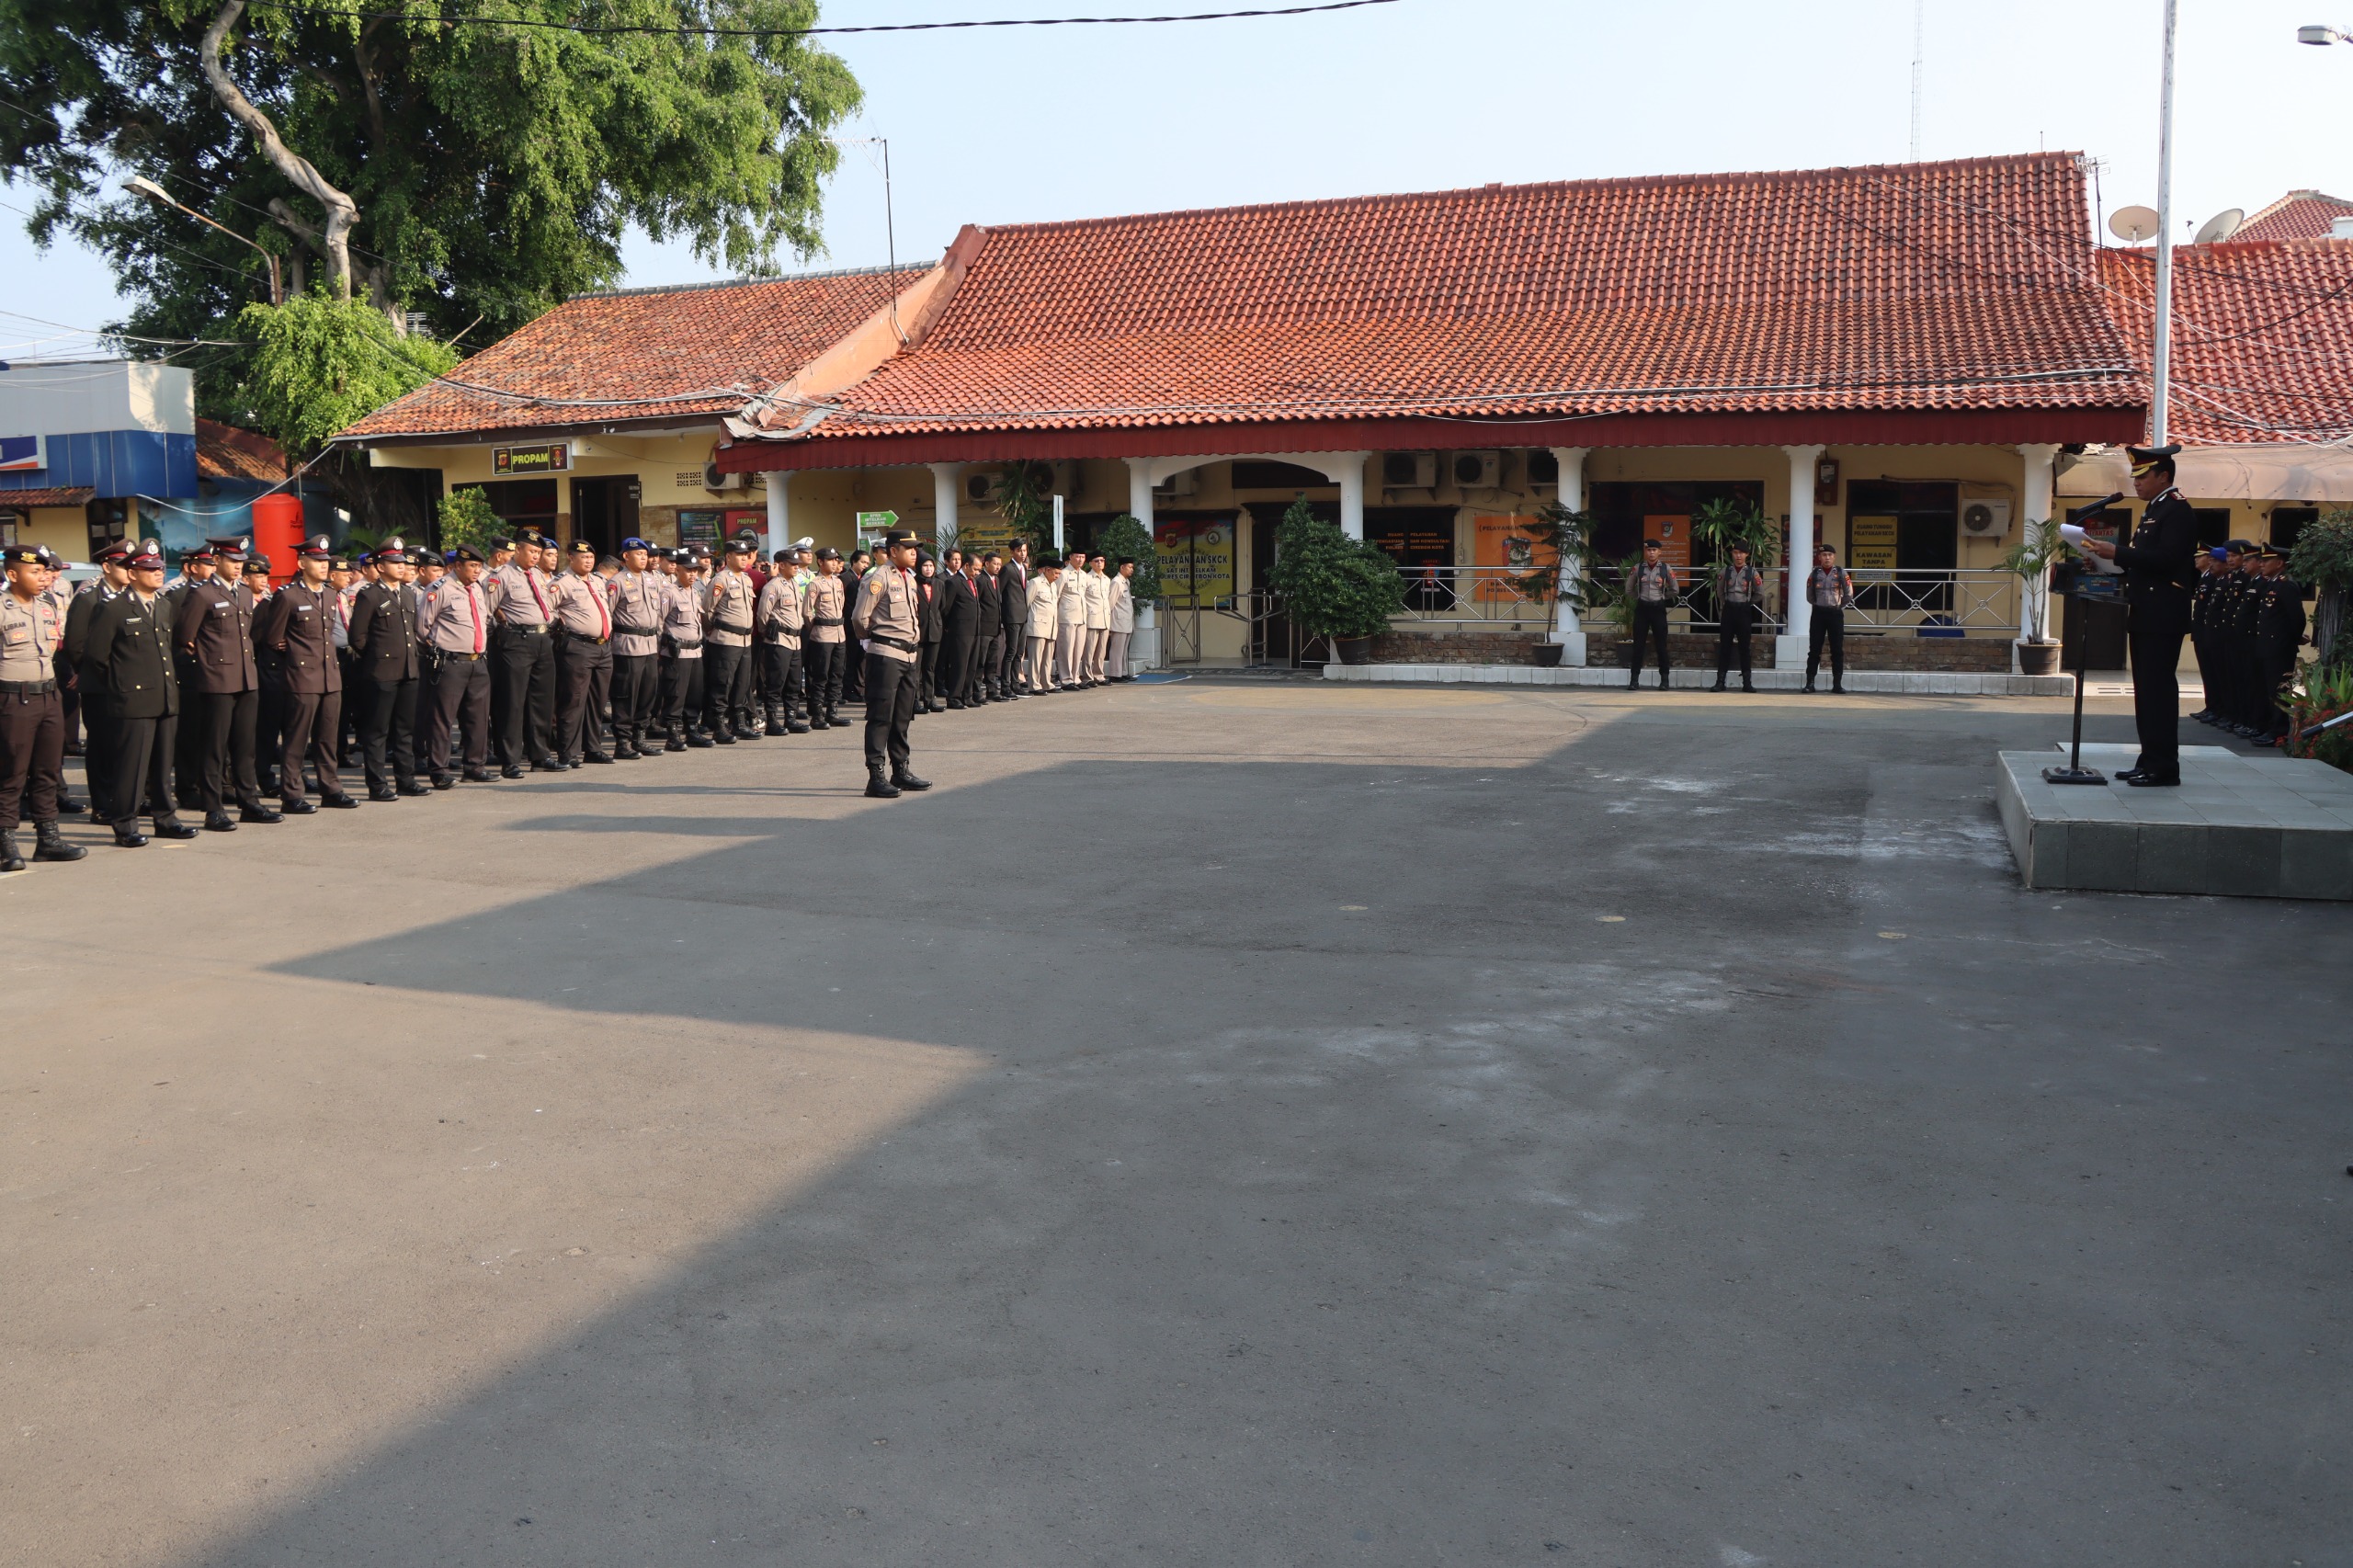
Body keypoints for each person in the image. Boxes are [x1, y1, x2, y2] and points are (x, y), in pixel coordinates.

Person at [2078, 443, 2199, 785]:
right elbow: (2142, 567)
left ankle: (2163, 768)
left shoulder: (2177, 511)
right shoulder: (2153, 510)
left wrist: (2119, 552)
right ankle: (2149, 759)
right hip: (2147, 611)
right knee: (2146, 691)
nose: (2136, 482)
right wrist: (2106, 563)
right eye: (2135, 475)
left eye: (2143, 475)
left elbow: (2166, 561)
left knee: (2158, 691)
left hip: (2163, 613)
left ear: (2163, 476)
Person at [83, 541, 199, 846]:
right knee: (131, 767)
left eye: (160, 568)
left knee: (163, 765)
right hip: (132, 700)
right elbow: (97, 657)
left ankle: (166, 818)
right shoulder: (113, 608)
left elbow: (167, 650)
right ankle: (125, 823)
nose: (158, 573)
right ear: (132, 573)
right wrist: (120, 686)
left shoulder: (163, 604)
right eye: (150, 569)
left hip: (164, 697)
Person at [175, 532, 274, 829]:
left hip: (246, 677)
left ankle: (249, 801)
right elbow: (183, 635)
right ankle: (213, 808)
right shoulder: (202, 593)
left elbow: (250, 633)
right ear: (216, 560)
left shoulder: (244, 593)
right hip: (217, 679)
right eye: (231, 561)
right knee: (214, 746)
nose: (238, 566)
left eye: (241, 561)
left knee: (245, 745)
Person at [0, 542, 87, 870]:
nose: (42, 577)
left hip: (49, 695)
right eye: (34, 572)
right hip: (12, 698)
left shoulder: (47, 605)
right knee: (11, 773)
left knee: (48, 771)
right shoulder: (2, 607)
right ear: (12, 574)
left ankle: (47, 839)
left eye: (44, 571)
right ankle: (6, 842)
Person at [258, 536, 358, 812]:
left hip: (330, 675)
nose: (324, 566)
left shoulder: (329, 594)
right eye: (317, 561)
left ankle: (331, 788)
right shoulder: (288, 595)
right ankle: (291, 794)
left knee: (327, 738)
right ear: (302, 563)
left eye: (326, 561)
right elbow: (273, 638)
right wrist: (295, 652)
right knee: (297, 738)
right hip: (302, 677)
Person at [852, 528, 930, 799]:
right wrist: (873, 643)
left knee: (902, 717)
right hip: (885, 655)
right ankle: (876, 776)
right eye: (909, 548)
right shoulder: (879, 578)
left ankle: (901, 770)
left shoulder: (908, 578)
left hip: (909, 656)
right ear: (893, 551)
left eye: (916, 548)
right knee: (880, 718)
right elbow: (860, 618)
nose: (914, 552)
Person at [346, 537, 426, 800]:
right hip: (381, 673)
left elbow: (411, 633)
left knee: (405, 731)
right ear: (380, 566)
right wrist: (377, 659)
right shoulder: (370, 595)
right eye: (394, 562)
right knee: (377, 732)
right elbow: (357, 637)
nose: (401, 567)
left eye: (402, 562)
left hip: (408, 671)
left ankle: (406, 779)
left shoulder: (408, 593)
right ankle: (377, 785)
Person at [63, 540, 132, 824]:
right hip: (100, 685)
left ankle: (124, 800)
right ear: (107, 567)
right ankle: (102, 805)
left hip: (127, 686)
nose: (131, 571)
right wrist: (87, 672)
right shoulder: (89, 597)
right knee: (102, 746)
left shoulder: (129, 597)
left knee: (123, 746)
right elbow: (76, 644)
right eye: (124, 566)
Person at [417, 542, 494, 786]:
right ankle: (439, 770)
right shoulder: (439, 588)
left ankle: (474, 766)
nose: (477, 571)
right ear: (457, 565)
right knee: (443, 718)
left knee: (478, 717)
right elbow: (422, 628)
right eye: (472, 566)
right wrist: (437, 651)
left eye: (479, 567)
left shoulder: (478, 588)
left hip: (478, 662)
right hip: (451, 662)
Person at [488, 531, 559, 776]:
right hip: (516, 640)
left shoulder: (538, 574)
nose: (536, 556)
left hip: (542, 639)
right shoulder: (501, 576)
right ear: (517, 550)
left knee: (542, 701)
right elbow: (486, 608)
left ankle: (540, 754)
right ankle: (510, 760)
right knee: (513, 702)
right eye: (532, 551)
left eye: (538, 553)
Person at [548, 539, 616, 766]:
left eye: (591, 557)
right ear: (571, 557)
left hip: (603, 647)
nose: (588, 561)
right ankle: (568, 751)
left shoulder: (597, 581)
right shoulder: (562, 582)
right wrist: (560, 626)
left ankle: (592, 748)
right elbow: (548, 610)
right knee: (573, 700)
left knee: (597, 702)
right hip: (578, 647)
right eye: (583, 557)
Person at [608, 539, 667, 758]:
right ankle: (622, 742)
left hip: (651, 644)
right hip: (628, 646)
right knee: (626, 694)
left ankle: (639, 738)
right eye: (639, 554)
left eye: (645, 554)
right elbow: (608, 613)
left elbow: (659, 614)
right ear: (626, 556)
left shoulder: (652, 580)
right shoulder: (617, 581)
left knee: (647, 693)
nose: (644, 558)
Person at [702, 537, 760, 743]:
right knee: (722, 684)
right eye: (739, 555)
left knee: (742, 684)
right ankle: (718, 725)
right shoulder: (721, 579)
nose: (744, 559)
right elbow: (707, 610)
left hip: (745, 640)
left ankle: (738, 723)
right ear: (728, 556)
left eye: (746, 555)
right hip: (725, 640)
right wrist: (713, 631)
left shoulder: (746, 579)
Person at [2250, 543, 2308, 744]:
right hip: (2268, 646)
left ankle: (2279, 732)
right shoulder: (2272, 584)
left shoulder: (2286, 585)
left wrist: (2289, 641)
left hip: (2279, 648)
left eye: (2266, 561)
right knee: (2269, 689)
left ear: (2280, 563)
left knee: (2278, 691)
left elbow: (2297, 619)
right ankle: (2270, 727)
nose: (2262, 564)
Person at [657, 549, 710, 750]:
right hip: (677, 653)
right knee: (676, 694)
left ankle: (691, 730)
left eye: (694, 570)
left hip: (696, 651)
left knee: (695, 694)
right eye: (688, 570)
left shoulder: (695, 592)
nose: (692, 574)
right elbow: (658, 622)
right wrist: (659, 650)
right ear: (677, 569)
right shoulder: (669, 593)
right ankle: (672, 734)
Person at [756, 550, 809, 735]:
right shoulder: (774, 586)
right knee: (775, 683)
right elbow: (763, 614)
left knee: (794, 683)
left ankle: (790, 718)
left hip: (795, 641)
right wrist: (767, 633)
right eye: (792, 563)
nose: (796, 566)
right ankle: (772, 721)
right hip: (779, 641)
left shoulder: (795, 585)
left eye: (797, 564)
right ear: (781, 565)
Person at [802, 547, 847, 728]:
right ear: (820, 562)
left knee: (837, 674)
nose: (835, 563)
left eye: (836, 559)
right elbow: (807, 611)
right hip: (822, 634)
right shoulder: (815, 583)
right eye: (830, 560)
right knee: (820, 675)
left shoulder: (838, 582)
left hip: (839, 633)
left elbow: (842, 604)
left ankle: (832, 711)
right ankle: (817, 714)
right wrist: (816, 628)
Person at [1711, 541, 1765, 693]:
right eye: (1735, 552)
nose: (1738, 556)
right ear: (1732, 554)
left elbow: (1760, 593)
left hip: (1743, 611)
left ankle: (1747, 682)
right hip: (1729, 610)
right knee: (1725, 646)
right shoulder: (1725, 571)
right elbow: (1720, 592)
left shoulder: (1752, 573)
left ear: (1747, 554)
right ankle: (1720, 681)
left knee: (1745, 648)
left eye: (1741, 553)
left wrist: (1748, 603)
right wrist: (1728, 603)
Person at [1802, 543, 1853, 694]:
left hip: (1835, 614)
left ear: (1834, 557)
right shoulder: (1814, 574)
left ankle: (1837, 684)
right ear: (1819, 557)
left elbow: (1849, 593)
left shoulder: (1841, 573)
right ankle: (1810, 683)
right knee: (1814, 649)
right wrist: (1819, 605)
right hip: (1818, 614)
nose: (1827, 558)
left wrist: (1837, 605)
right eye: (1824, 555)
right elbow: (1809, 595)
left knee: (1837, 649)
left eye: (1830, 555)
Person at [1627, 539, 1676, 690]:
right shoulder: (1638, 569)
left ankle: (1665, 680)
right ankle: (1634, 680)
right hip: (1642, 609)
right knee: (1638, 646)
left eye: (1654, 550)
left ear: (1659, 552)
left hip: (1658, 609)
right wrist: (1640, 598)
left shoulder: (1666, 569)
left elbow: (1675, 589)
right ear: (1645, 552)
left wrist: (1662, 598)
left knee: (1661, 646)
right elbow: (1629, 589)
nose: (1651, 553)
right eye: (1649, 550)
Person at [938, 548, 982, 709]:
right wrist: (949, 628)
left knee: (971, 665)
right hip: (960, 631)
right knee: (960, 665)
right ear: (966, 566)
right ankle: (954, 697)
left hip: (975, 630)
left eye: (979, 570)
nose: (977, 573)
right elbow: (946, 608)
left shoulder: (974, 582)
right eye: (975, 569)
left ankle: (967, 695)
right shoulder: (954, 582)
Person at [2188, 546, 2227, 724]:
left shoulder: (2214, 579)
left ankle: (2218, 708)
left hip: (2210, 633)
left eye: (2212, 560)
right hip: (2202, 631)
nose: (2197, 560)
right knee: (2208, 673)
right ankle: (2211, 706)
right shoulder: (2205, 578)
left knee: (2216, 674)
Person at [998, 540, 1031, 696]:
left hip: (1023, 615)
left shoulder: (1024, 568)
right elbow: (1000, 592)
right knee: (1010, 651)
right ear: (1012, 552)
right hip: (1011, 615)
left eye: (1024, 550)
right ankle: (1005, 686)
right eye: (1019, 550)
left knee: (1019, 652)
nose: (1023, 554)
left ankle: (1015, 683)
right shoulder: (1007, 569)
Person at [1027, 551, 1063, 694]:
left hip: (1051, 626)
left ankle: (1046, 683)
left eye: (1059, 574)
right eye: (1056, 573)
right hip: (1037, 626)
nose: (1057, 576)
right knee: (1036, 658)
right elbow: (1026, 604)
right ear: (1047, 570)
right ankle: (1034, 685)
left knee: (1048, 658)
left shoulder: (1053, 585)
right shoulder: (1035, 583)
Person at [914, 551, 946, 713]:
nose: (928, 569)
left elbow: (942, 607)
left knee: (930, 668)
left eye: (931, 566)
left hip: (934, 631)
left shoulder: (939, 584)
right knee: (916, 668)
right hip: (918, 631)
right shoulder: (912, 583)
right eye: (925, 566)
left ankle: (929, 699)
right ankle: (915, 701)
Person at [1055, 548, 1089, 688]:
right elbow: (1055, 595)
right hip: (1067, 617)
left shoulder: (1084, 575)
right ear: (1071, 557)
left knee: (1078, 650)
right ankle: (1066, 679)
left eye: (1082, 557)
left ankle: (1076, 678)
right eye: (1077, 556)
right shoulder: (1063, 574)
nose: (1080, 559)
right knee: (1066, 650)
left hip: (1081, 617)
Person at [972, 551, 1005, 701]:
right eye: (995, 564)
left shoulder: (996, 580)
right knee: (981, 660)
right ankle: (977, 691)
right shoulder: (980, 579)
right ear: (986, 564)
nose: (998, 567)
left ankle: (992, 690)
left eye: (999, 564)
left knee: (993, 661)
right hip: (983, 627)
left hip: (995, 626)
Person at [1083, 554, 1112, 685]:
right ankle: (1088, 677)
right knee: (1089, 650)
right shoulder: (1086, 578)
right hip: (1092, 618)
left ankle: (1099, 675)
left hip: (1105, 618)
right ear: (1091, 563)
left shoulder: (1107, 579)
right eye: (1096, 561)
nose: (1100, 563)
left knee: (1101, 651)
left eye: (1102, 560)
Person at [1108, 557, 1136, 680]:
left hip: (1126, 621)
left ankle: (1123, 672)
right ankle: (1115, 673)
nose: (1132, 570)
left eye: (1132, 567)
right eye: (1130, 567)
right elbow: (1110, 603)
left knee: (1123, 650)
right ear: (1122, 567)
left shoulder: (1125, 582)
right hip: (1118, 621)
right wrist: (1108, 624)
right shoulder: (1116, 582)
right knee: (1117, 650)